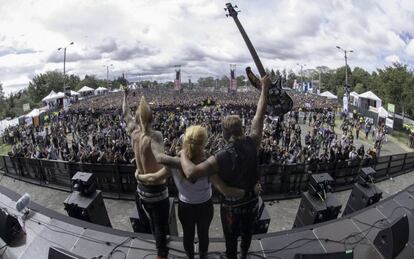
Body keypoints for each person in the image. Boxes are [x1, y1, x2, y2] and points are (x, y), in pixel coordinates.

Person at [179, 75, 270, 259]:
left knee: (231, 241)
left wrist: (182, 153)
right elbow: (259, 114)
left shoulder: (219, 158)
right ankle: (244, 255)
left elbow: (191, 172)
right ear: (242, 129)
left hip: (232, 209)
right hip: (252, 202)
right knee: (247, 236)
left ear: (223, 134)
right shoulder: (254, 141)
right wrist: (265, 89)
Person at [139, 125, 250, 259]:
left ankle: (190, 257)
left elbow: (154, 178)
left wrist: (138, 176)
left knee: (187, 235)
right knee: (204, 235)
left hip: (185, 206)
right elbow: (224, 188)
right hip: (205, 206)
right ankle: (203, 256)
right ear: (203, 143)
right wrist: (249, 191)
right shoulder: (209, 165)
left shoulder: (174, 163)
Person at [128, 94, 179, 259]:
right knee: (160, 226)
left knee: (151, 222)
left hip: (141, 191)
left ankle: (159, 246)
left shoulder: (133, 133)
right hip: (155, 191)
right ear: (152, 118)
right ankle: (161, 254)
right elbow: (160, 163)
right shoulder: (155, 136)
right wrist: (177, 162)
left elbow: (125, 113)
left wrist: (125, 96)